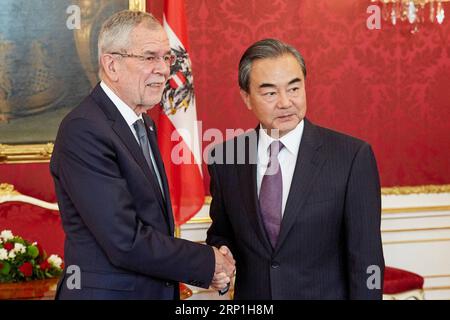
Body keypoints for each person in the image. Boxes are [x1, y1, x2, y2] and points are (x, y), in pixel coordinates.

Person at [50, 10, 234, 300]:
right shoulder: (84, 129)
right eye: (150, 57)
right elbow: (124, 240)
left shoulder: (142, 122)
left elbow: (151, 224)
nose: (163, 69)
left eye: (166, 58)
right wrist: (208, 262)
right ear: (112, 65)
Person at [206, 38, 384, 299]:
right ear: (246, 98)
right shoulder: (226, 158)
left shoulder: (351, 157)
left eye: (294, 88)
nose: (285, 102)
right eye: (269, 93)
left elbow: (366, 259)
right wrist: (223, 251)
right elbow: (222, 233)